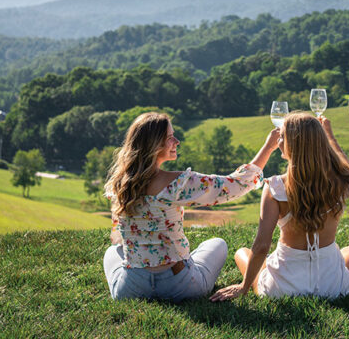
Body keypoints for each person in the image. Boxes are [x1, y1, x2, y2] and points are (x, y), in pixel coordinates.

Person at [103, 111, 279, 302]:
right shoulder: (178, 184)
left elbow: (117, 237)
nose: (177, 141)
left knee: (112, 251)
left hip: (131, 288)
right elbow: (235, 185)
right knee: (218, 244)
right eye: (170, 138)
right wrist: (269, 147)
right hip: (179, 285)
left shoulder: (120, 185)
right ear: (154, 145)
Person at [210, 112, 349, 301]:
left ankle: (259, 278)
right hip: (331, 287)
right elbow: (346, 167)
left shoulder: (275, 187)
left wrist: (243, 287)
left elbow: (261, 246)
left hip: (283, 288)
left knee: (242, 253)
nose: (278, 141)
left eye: (282, 136)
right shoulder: (342, 182)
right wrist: (330, 137)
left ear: (293, 144)